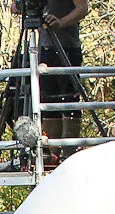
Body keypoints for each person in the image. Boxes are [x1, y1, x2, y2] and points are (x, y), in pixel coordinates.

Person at [13, 0, 89, 153]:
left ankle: (69, 152)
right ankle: (51, 153)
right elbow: (15, 8)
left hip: (66, 47)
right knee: (48, 101)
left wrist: (61, 22)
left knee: (69, 101)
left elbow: (83, 8)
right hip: (43, 48)